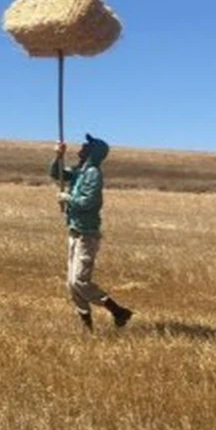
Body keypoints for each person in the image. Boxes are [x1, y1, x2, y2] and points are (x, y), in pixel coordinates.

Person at [50, 133, 133, 332]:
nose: (82, 147)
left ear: (94, 152)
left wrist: (67, 197)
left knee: (79, 281)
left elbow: (88, 202)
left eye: (87, 145)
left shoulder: (93, 174)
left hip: (87, 234)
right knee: (72, 284)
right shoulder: (80, 171)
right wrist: (58, 157)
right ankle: (88, 329)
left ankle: (118, 311)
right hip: (74, 231)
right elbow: (57, 174)